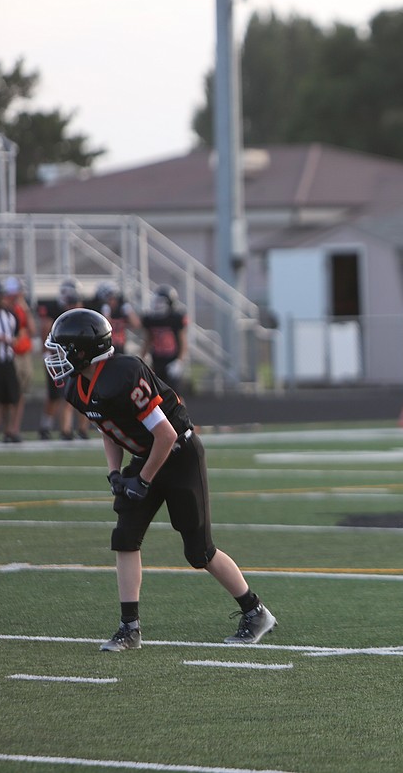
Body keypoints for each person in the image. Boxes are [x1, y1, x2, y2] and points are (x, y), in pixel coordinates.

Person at [43, 307, 276, 651]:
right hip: (146, 458)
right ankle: (129, 627)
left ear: (83, 350)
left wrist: (143, 480)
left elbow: (165, 435)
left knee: (200, 552)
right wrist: (114, 472)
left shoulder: (125, 374)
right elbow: (108, 428)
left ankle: (255, 611)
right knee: (124, 537)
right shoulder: (78, 386)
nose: (55, 356)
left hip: (179, 456)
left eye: (62, 348)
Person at [37, 279, 91, 440]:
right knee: (58, 396)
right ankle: (57, 428)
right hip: (58, 358)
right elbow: (46, 332)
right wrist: (47, 352)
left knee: (82, 392)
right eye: (70, 302)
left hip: (76, 358)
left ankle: (79, 429)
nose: (72, 306)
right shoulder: (54, 312)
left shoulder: (82, 314)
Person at [1, 277, 35, 442]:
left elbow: (32, 330)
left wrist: (26, 310)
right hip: (10, 355)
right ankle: (7, 429)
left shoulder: (21, 309)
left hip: (24, 354)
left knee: (20, 393)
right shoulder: (4, 310)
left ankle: (14, 428)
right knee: (9, 394)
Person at [141, 285, 189, 392]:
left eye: (160, 302)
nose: (157, 305)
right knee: (157, 393)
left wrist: (179, 362)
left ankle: (182, 409)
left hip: (171, 360)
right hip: (157, 359)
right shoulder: (151, 319)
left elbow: (183, 342)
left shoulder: (175, 318)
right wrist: (143, 357)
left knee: (176, 396)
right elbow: (148, 339)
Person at [0, 281, 22, 442]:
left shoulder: (10, 314)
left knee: (11, 398)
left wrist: (13, 341)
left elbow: (18, 334)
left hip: (8, 360)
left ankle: (9, 431)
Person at [95, 280, 141, 356]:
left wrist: (129, 312)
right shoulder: (101, 311)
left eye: (113, 298)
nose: (112, 301)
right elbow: (104, 328)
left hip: (120, 347)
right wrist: (106, 314)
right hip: (106, 348)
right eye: (109, 299)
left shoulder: (122, 310)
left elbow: (136, 325)